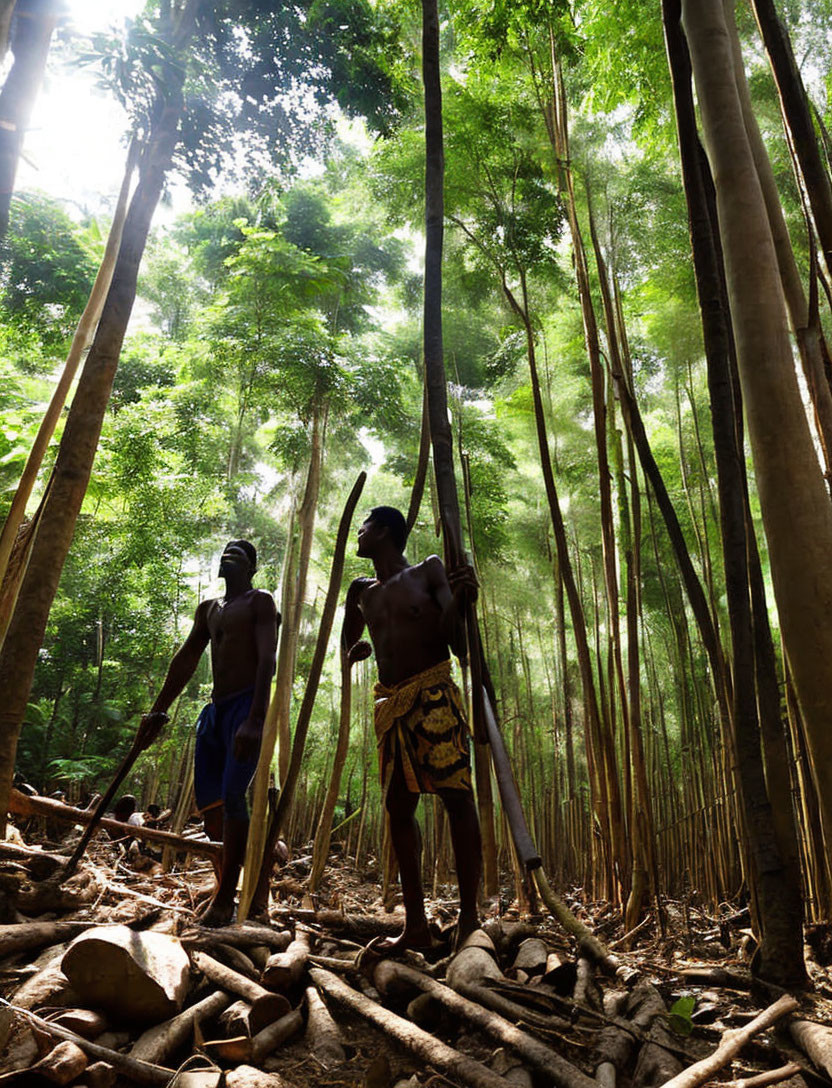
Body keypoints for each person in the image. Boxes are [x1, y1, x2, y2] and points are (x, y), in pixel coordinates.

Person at [343, 506, 482, 953]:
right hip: (391, 706)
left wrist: (462, 600)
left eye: (363, 527)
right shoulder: (360, 591)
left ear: (382, 531)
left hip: (434, 694)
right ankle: (416, 925)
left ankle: (470, 920)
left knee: (457, 799)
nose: (357, 534)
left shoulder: (429, 570)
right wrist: (355, 649)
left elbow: (457, 644)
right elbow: (348, 644)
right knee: (398, 809)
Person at [136, 540, 279, 926]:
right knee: (211, 805)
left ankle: (230, 897)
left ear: (252, 566)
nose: (229, 553)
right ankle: (226, 886)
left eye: (240, 551)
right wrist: (158, 709)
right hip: (216, 710)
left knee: (235, 795)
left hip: (246, 707)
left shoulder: (260, 602)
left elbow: (268, 659)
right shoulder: (209, 610)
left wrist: (256, 718)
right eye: (226, 549)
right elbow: (186, 658)